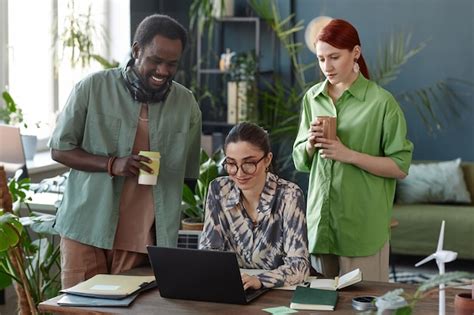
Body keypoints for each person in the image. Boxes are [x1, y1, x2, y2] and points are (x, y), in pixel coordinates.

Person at [50, 14, 201, 289]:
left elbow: (189, 177)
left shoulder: (186, 104)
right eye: (156, 60)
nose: (164, 70)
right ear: (136, 50)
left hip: (142, 239)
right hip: (87, 227)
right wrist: (111, 164)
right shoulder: (92, 88)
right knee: (81, 309)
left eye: (172, 64)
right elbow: (60, 149)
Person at [292, 19, 413, 282]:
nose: (327, 67)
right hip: (320, 225)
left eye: (334, 57)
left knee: (363, 307)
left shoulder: (382, 103)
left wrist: (349, 155)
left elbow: (400, 167)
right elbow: (300, 161)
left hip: (362, 228)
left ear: (355, 52)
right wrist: (310, 144)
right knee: (319, 306)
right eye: (321, 59)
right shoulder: (313, 97)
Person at [200, 122, 310, 290]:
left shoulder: (289, 195)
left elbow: (299, 266)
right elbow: (208, 254)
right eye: (231, 163)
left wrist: (261, 281)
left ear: (267, 160)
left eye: (248, 163)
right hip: (231, 288)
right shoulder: (219, 190)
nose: (239, 173)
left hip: (277, 292)